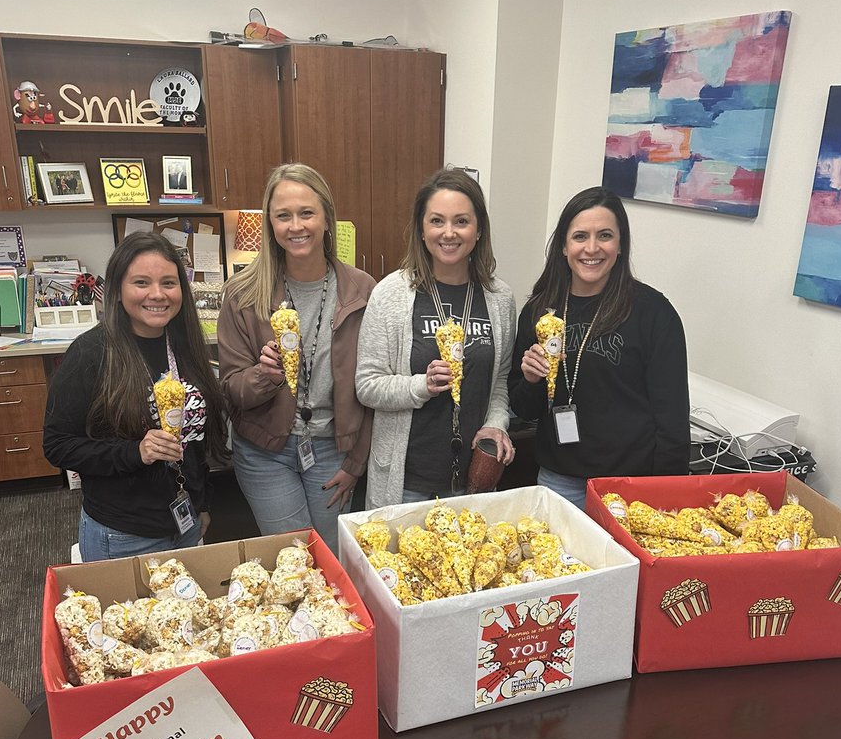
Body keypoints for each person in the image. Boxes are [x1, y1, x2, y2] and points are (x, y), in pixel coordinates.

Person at [217, 163, 374, 555]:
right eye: (283, 215)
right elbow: (231, 389)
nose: (296, 226)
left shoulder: (362, 289)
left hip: (331, 448)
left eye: (306, 213)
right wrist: (264, 375)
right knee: (293, 558)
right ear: (270, 224)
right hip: (266, 450)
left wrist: (356, 462)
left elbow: (372, 387)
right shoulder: (242, 292)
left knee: (332, 558)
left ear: (326, 219)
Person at [43, 231, 227, 561]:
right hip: (122, 534)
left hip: (184, 522)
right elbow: (57, 445)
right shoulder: (91, 353)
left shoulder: (185, 347)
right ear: (117, 291)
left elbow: (193, 442)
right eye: (141, 282)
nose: (157, 294)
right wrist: (134, 452)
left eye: (169, 283)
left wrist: (201, 504)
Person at [508, 185, 689, 510]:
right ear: (564, 246)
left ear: (620, 245)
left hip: (629, 486)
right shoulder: (540, 311)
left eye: (604, 235)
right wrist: (533, 379)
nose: (592, 248)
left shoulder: (653, 312)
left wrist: (665, 499)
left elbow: (672, 420)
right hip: (559, 479)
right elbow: (524, 409)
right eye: (580, 237)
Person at [355, 167, 516, 508]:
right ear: (422, 229)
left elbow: (500, 382)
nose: (449, 233)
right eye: (437, 221)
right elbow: (367, 385)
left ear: (479, 229)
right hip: (406, 478)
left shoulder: (500, 298)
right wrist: (420, 387)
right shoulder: (391, 294)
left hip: (470, 477)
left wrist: (496, 424)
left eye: (461, 221)